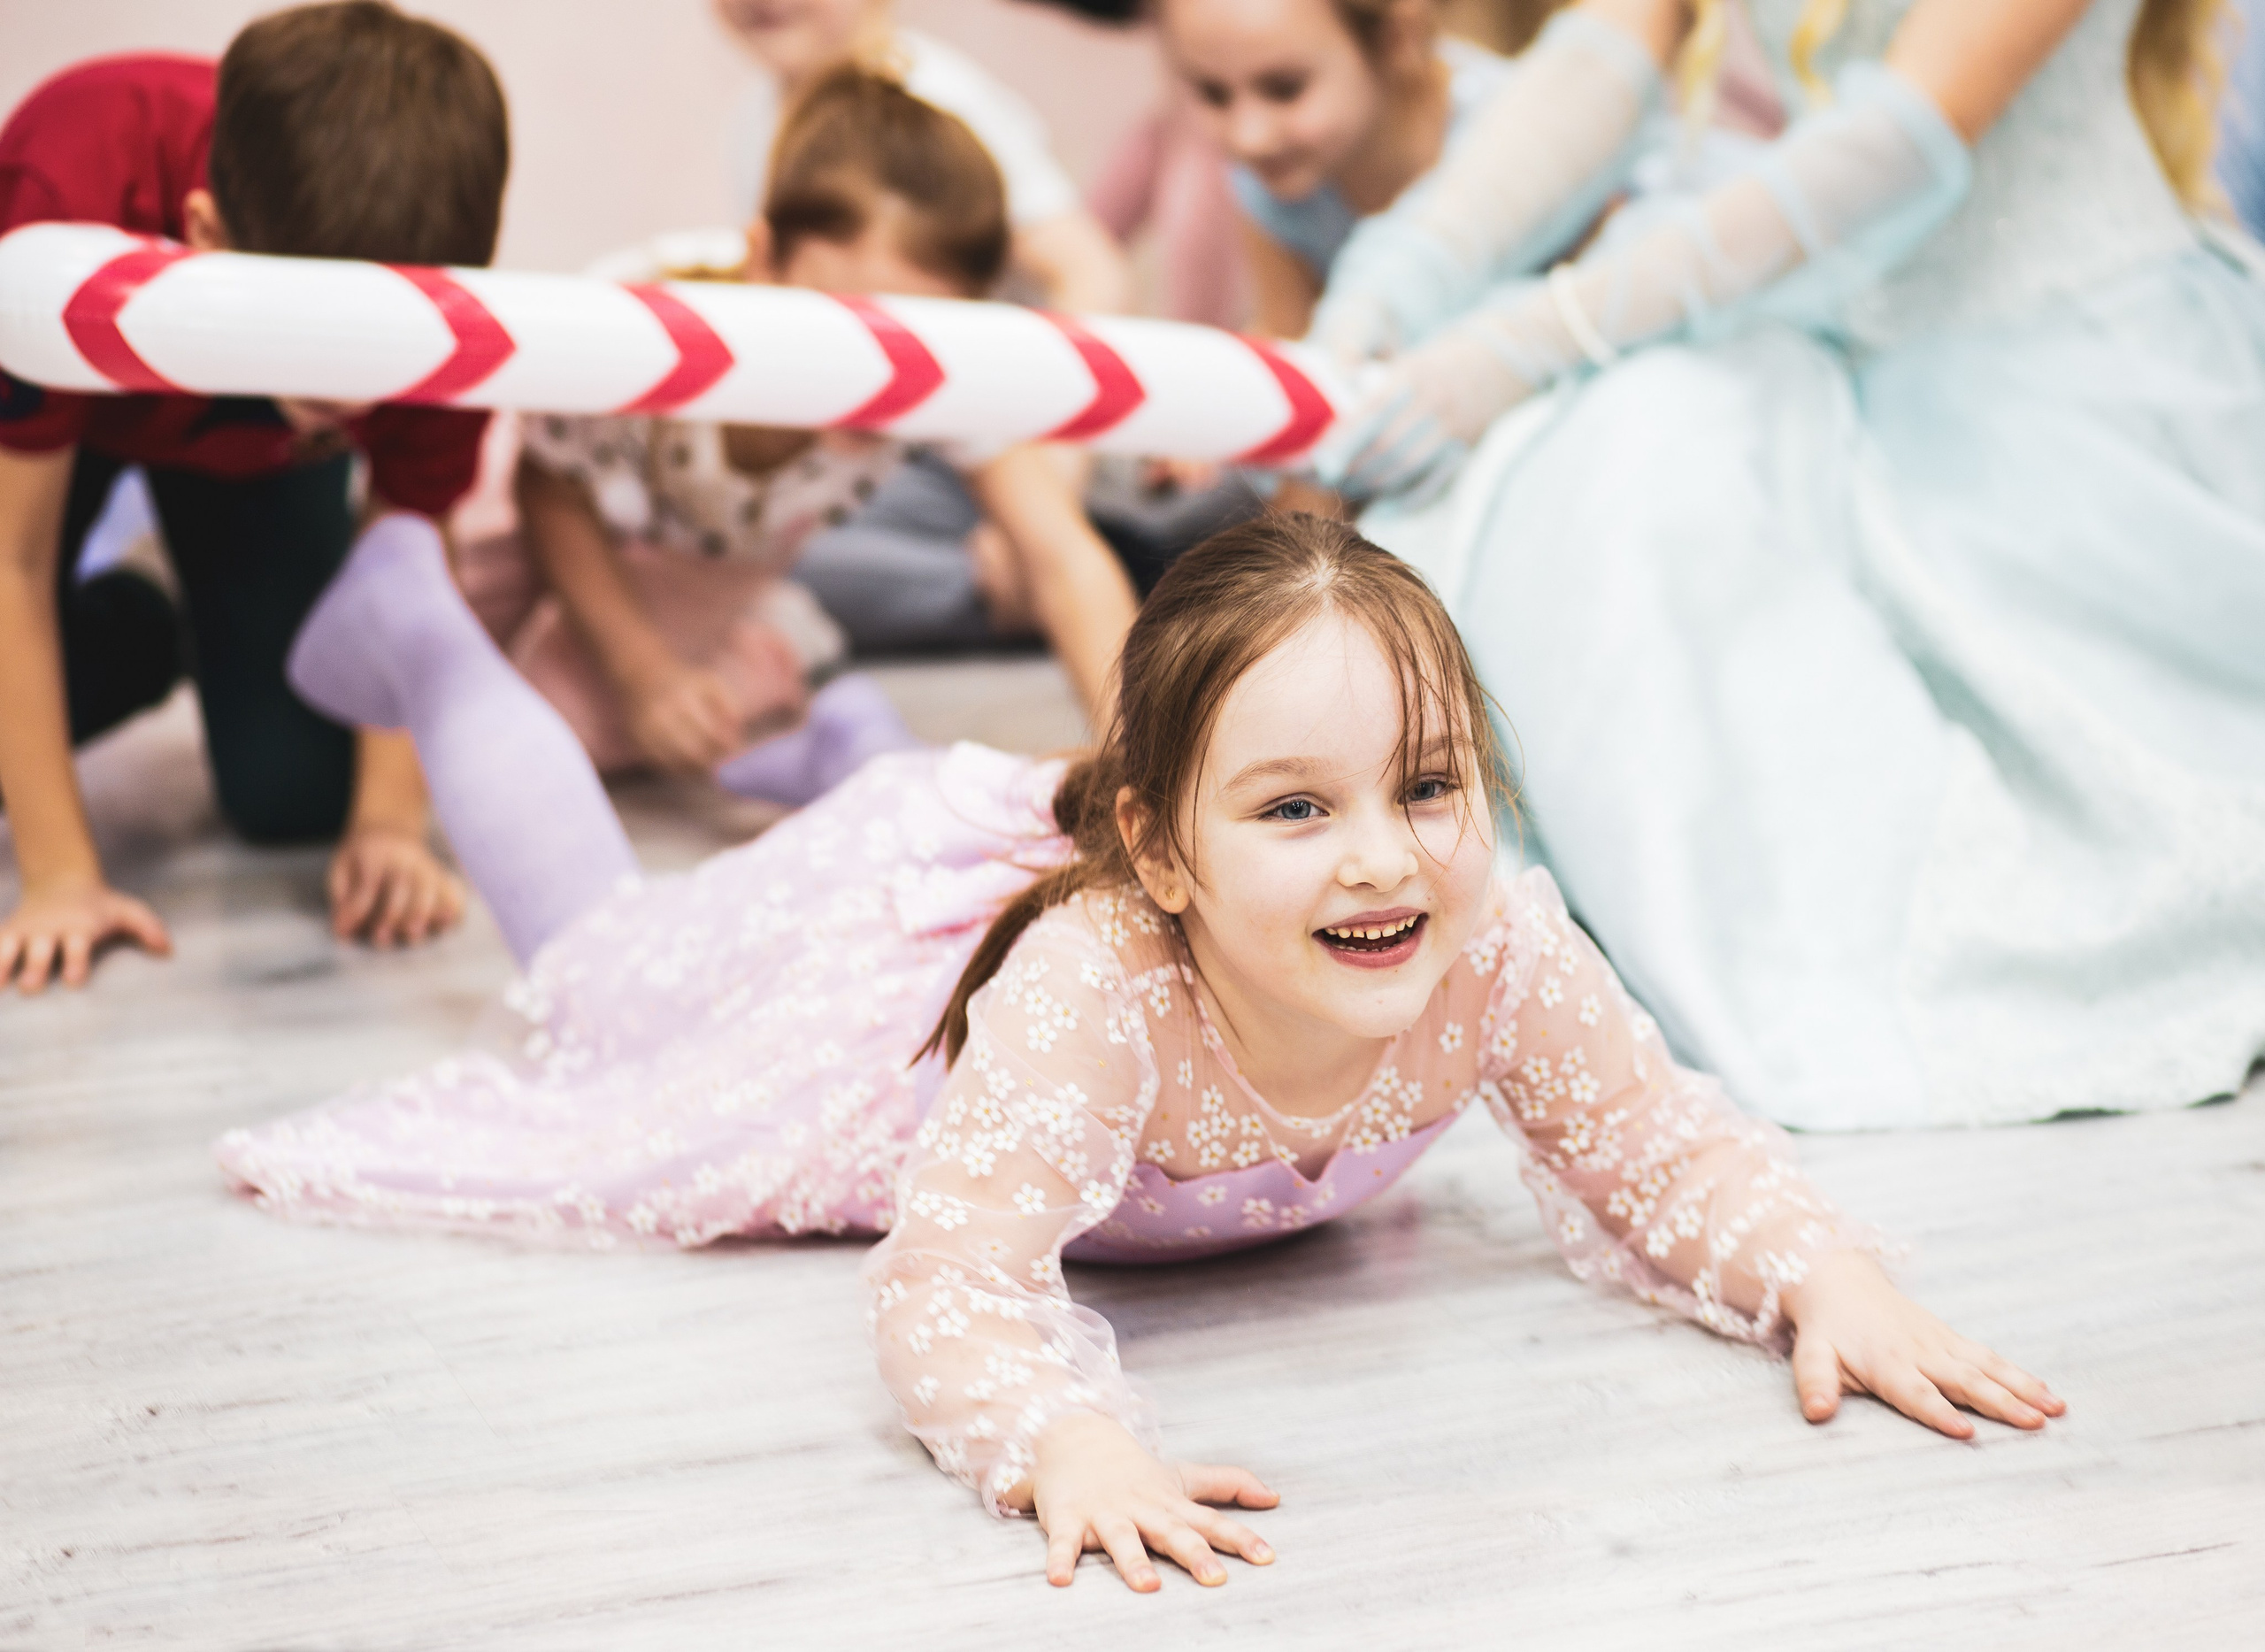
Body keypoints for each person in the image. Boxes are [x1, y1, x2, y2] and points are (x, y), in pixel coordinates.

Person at [217, 516, 2060, 1590]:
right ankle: (425, 629)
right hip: (886, 1015)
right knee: (609, 982)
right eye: (1296, 808)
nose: (1384, 858)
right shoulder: (1095, 982)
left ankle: (825, 730)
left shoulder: (1495, 943)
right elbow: (949, 1280)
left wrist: (1822, 1275)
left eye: (1427, 786)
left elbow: (1654, 1145)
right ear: (1165, 853)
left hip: (1096, 901)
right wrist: (1062, 1441)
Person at [1305, 0, 2265, 1130]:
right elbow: (1601, 63)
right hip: (1834, 363)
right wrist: (1395, 280)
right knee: (1575, 477)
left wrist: (1540, 333)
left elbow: (1899, 140)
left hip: (2061, 381)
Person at [0, 2, 508, 992]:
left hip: (248, 456)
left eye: (382, 358)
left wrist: (390, 821)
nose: (351, 392)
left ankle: (172, 610)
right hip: (47, 436)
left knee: (297, 794)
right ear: (204, 237)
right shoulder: (65, 193)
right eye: (317, 350)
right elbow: (10, 559)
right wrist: (60, 873)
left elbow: (408, 557)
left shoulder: (448, 308)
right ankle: (137, 619)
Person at [487, 70, 1136, 803]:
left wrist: (1143, 764)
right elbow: (547, 488)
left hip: (709, 571)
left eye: (909, 349)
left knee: (584, 716)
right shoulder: (652, 324)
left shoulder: (947, 366)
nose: (870, 378)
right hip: (530, 516)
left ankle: (774, 652)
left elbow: (1063, 560)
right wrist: (641, 672)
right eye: (839, 330)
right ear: (763, 259)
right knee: (492, 707)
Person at [711, 0, 1140, 656]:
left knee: (779, 561)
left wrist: (1053, 479)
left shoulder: (938, 103)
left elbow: (1091, 271)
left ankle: (1057, 576)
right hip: (885, 444)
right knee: (746, 538)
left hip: (985, 444)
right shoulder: (755, 118)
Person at [1158, 0, 1519, 338]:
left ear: (1397, 38)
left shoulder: (1503, 130)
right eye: (1213, 94)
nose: (1248, 138)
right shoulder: (1273, 173)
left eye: (1285, 89)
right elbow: (1288, 331)